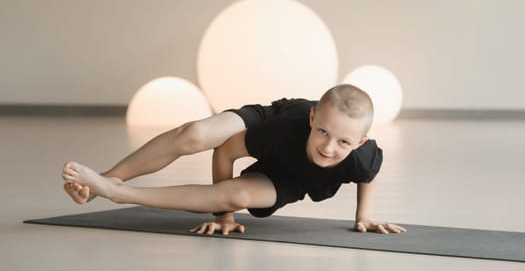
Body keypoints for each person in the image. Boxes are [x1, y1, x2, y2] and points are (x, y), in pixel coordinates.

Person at [62, 84, 406, 235]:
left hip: (290, 177)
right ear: (313, 117)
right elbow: (226, 150)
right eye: (323, 133)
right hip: (265, 122)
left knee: (237, 196)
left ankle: (115, 191)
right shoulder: (287, 128)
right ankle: (104, 181)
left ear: (360, 142)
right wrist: (223, 217)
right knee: (195, 133)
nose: (329, 148)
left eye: (344, 142)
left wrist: (364, 217)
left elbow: (368, 174)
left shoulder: (362, 156)